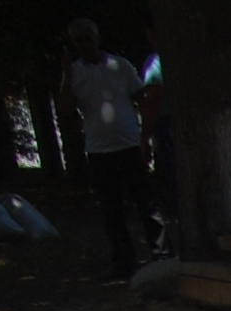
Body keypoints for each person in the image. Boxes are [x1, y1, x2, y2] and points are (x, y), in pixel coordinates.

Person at [59, 19, 156, 278]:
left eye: (88, 37)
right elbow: (65, 110)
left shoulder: (120, 65)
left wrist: (145, 138)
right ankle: (124, 262)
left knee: (147, 205)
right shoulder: (73, 73)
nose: (85, 43)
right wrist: (66, 75)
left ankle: (162, 255)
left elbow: (142, 99)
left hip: (129, 144)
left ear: (98, 37)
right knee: (112, 212)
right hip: (99, 151)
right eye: (79, 40)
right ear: (74, 43)